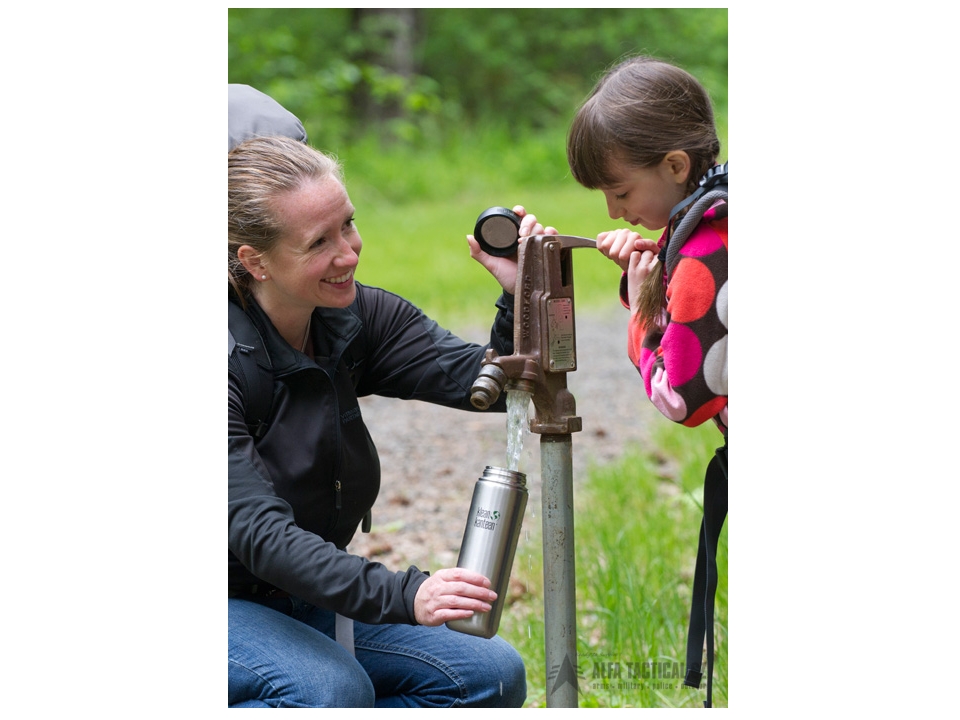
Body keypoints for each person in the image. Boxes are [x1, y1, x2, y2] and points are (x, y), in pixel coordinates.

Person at [227, 86, 549, 708]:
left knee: (488, 675)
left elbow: (490, 385)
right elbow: (258, 533)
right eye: (318, 243)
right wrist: (407, 594)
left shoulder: (355, 317)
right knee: (328, 691)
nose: (348, 252)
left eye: (347, 224)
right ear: (255, 261)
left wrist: (521, 295)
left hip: (300, 592)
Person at [565, 55, 728, 705]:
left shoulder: (707, 245)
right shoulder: (717, 216)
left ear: (675, 165)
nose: (613, 209)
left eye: (622, 192)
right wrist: (652, 271)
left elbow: (681, 395)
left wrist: (640, 310)